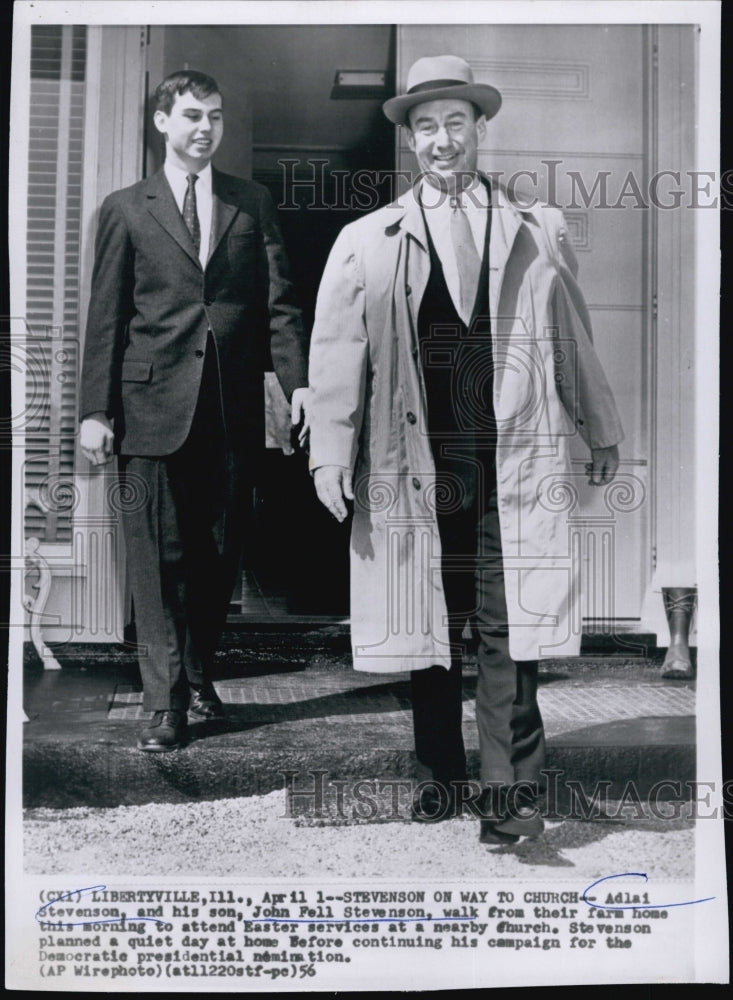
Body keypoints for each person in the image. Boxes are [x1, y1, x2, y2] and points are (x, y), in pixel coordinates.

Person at [307, 55, 624, 841]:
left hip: (508, 459)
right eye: (425, 128)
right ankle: (438, 775)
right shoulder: (365, 241)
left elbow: (569, 335)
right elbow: (336, 356)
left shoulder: (536, 227)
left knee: (507, 623)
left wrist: (600, 428)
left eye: (455, 123)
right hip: (411, 463)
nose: (441, 140)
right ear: (410, 140)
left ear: (479, 128)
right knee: (426, 622)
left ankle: (508, 796)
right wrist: (328, 455)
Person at [79, 70, 308, 752]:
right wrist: (95, 410)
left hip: (230, 411)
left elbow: (281, 304)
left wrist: (294, 383)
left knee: (216, 554)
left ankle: (198, 672)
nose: (203, 127)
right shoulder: (125, 208)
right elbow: (105, 318)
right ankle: (164, 700)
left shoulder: (251, 201)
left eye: (213, 116)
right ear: (161, 123)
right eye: (188, 115)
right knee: (156, 560)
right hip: (149, 407)